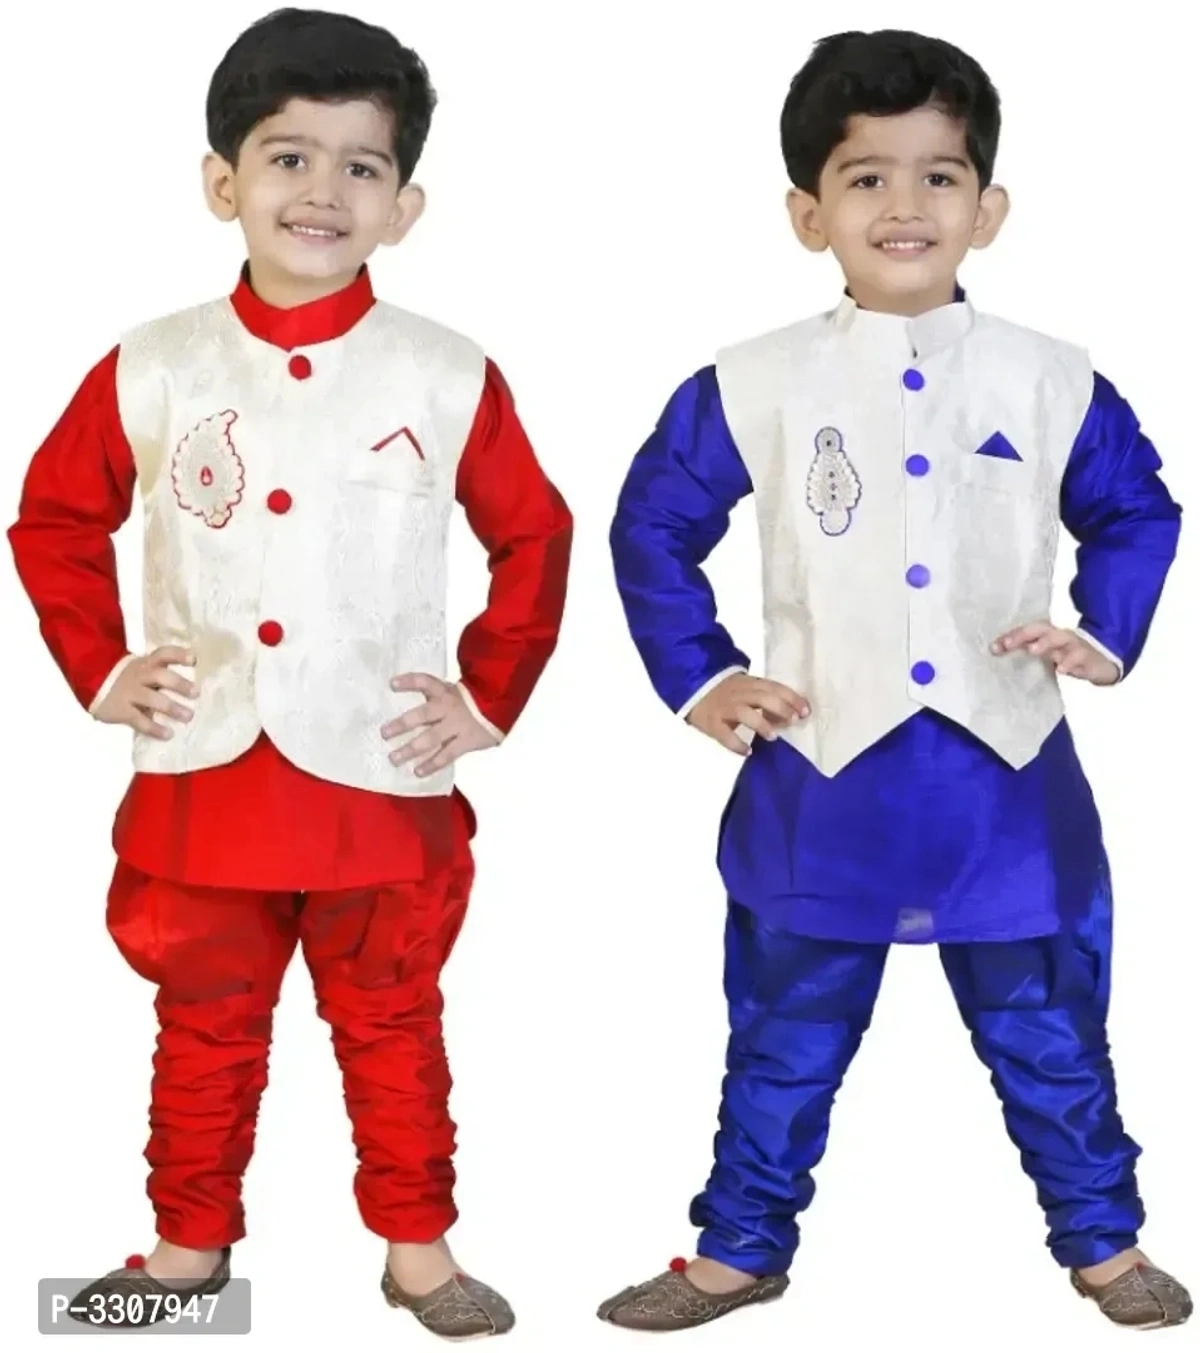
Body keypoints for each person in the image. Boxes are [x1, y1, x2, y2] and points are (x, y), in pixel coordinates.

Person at [597, 28, 1189, 1334]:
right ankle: (736, 1249)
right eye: (866, 177)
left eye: (939, 175)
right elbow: (654, 524)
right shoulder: (752, 381)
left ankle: (1105, 1242)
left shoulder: (1051, 377)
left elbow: (1136, 510)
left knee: (1049, 1026)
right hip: (821, 774)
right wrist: (703, 677)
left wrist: (1106, 630)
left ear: (990, 208)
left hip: (1005, 781)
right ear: (809, 213)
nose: (904, 204)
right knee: (784, 1032)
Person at [8, 8, 571, 1339]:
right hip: (206, 767)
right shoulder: (154, 363)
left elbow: (536, 535)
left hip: (378, 771)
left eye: (360, 166)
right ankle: (187, 1252)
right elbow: (54, 519)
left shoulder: (444, 372)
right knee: (205, 1019)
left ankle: (419, 1251)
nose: (323, 191)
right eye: (287, 157)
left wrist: (486, 696)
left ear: (404, 205)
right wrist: (101, 667)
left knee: (393, 1019)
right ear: (224, 183)